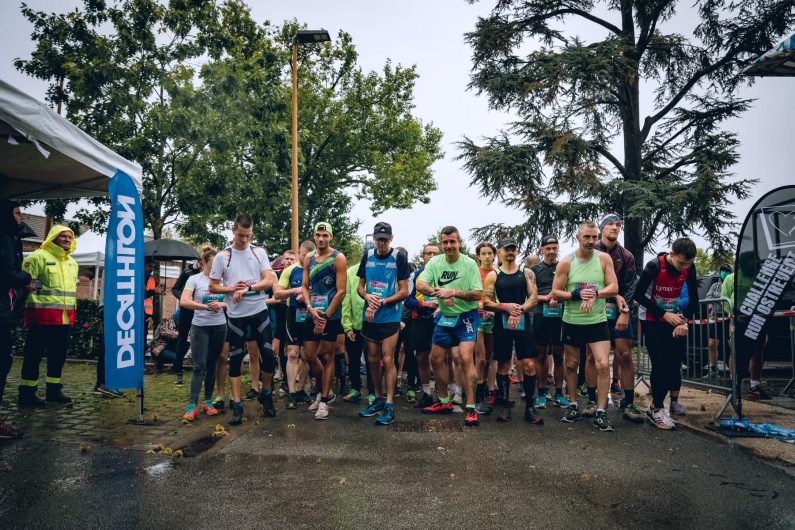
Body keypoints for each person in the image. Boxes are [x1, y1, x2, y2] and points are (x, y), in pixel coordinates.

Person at [209, 214, 277, 425]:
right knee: (236, 358)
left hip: (258, 311)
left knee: (268, 354)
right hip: (236, 315)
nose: (244, 240)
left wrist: (248, 288)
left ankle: (265, 393)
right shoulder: (223, 256)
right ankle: (237, 405)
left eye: (248, 236)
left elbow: (268, 280)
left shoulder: (258, 252)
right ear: (233, 231)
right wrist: (232, 289)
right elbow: (213, 286)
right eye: (241, 236)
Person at [551, 221, 618, 432]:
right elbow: (555, 292)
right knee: (571, 365)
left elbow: (613, 287)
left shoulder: (604, 259)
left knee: (602, 364)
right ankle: (572, 405)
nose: (591, 241)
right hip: (572, 321)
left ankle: (601, 411)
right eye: (586, 237)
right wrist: (576, 295)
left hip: (597, 321)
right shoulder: (566, 262)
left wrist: (596, 294)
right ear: (578, 238)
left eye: (594, 237)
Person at [416, 226, 483, 427]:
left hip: (466, 317)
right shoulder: (435, 262)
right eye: (445, 242)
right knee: (435, 358)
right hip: (445, 317)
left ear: (459, 242)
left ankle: (470, 408)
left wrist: (453, 292)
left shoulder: (469, 263)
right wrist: (439, 292)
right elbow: (421, 284)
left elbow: (478, 294)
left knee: (464, 357)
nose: (448, 245)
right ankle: (444, 401)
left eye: (452, 241)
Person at [634, 237, 699, 429]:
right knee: (660, 362)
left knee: (673, 362)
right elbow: (638, 296)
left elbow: (694, 300)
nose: (683, 267)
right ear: (671, 254)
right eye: (681, 263)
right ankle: (657, 409)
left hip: (674, 319)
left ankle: (663, 407)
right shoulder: (654, 266)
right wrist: (663, 314)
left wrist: (684, 320)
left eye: (688, 264)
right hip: (651, 319)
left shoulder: (688, 268)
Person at [18, 225, 79, 407]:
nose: (67, 240)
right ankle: (27, 394)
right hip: (40, 317)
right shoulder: (38, 257)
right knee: (33, 356)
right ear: (53, 238)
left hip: (64, 319)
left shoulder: (72, 264)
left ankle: (53, 391)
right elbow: (24, 283)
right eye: (63, 237)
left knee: (58, 356)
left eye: (70, 237)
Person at [356, 222, 410, 425]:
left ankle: (389, 404)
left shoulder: (399, 258)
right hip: (369, 315)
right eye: (378, 238)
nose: (381, 242)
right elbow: (360, 287)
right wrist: (368, 296)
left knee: (388, 359)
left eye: (385, 239)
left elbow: (405, 291)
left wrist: (383, 301)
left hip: (390, 315)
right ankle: (377, 399)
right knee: (371, 358)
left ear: (391, 239)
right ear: (374, 238)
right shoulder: (367, 256)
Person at [483, 239, 541, 424]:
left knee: (529, 365)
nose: (510, 252)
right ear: (499, 252)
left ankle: (530, 408)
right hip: (502, 323)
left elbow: (533, 298)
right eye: (506, 249)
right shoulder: (494, 275)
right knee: (503, 365)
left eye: (513, 249)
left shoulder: (526, 272)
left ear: (517, 251)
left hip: (523, 323)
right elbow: (486, 302)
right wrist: (505, 307)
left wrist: (519, 310)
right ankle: (505, 405)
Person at [593, 213, 643, 422]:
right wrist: (613, 295)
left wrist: (625, 311)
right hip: (595, 309)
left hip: (620, 311)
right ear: (602, 228)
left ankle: (628, 402)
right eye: (610, 224)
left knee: (624, 355)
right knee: (593, 358)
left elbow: (631, 284)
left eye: (618, 225)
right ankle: (592, 400)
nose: (615, 227)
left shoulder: (627, 255)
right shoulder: (591, 251)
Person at [301, 222, 347, 420]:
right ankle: (323, 388)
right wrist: (310, 308)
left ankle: (324, 400)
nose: (321, 239)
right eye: (318, 235)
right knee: (309, 355)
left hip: (331, 315)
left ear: (331, 237)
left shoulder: (338, 258)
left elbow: (341, 291)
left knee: (328, 356)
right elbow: (304, 286)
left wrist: (326, 316)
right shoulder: (309, 258)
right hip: (312, 313)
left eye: (325, 235)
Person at [179, 245, 227, 422]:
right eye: (213, 264)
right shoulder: (194, 280)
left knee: (213, 363)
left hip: (219, 326)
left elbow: (234, 302)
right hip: (200, 326)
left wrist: (222, 305)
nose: (216, 269)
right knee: (199, 366)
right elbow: (184, 301)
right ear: (203, 263)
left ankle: (207, 401)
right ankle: (192, 404)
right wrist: (204, 307)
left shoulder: (223, 281)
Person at [0, 201, 31, 438]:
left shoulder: (11, 239)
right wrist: (26, 277)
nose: (21, 217)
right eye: (17, 213)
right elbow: (8, 273)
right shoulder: (6, 240)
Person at [275, 241, 316, 408]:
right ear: (300, 253)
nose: (308, 259)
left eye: (311, 257)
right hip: (292, 313)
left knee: (307, 354)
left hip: (310, 313)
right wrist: (295, 291)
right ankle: (291, 391)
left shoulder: (316, 269)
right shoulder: (289, 270)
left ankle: (300, 390)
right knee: (292, 353)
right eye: (305, 256)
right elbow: (277, 293)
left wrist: (308, 296)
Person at [532, 236, 568, 409]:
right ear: (541, 249)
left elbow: (569, 290)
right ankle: (541, 392)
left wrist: (558, 298)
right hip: (540, 314)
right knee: (540, 354)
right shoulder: (533, 270)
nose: (552, 251)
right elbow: (529, 295)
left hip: (560, 315)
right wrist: (545, 298)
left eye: (555, 248)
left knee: (559, 354)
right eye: (548, 248)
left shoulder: (565, 266)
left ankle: (559, 393)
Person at [405, 243, 441, 408]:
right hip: (420, 319)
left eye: (435, 253)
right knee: (421, 356)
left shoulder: (446, 274)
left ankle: (443, 393)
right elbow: (407, 299)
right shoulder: (416, 275)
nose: (432, 257)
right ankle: (426, 392)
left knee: (440, 357)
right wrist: (422, 305)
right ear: (423, 256)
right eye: (428, 254)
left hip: (441, 320)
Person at [341, 241, 374, 404]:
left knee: (372, 359)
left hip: (374, 324)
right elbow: (346, 298)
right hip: (355, 324)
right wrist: (347, 326)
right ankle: (355, 388)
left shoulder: (379, 270)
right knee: (353, 359)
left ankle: (373, 391)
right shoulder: (351, 272)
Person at [474, 241, 497, 415]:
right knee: (480, 358)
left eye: (490, 253)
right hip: (477, 318)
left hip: (494, 319)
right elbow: (470, 294)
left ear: (495, 255)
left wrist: (494, 309)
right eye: (484, 253)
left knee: (490, 358)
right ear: (479, 256)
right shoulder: (474, 272)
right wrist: (481, 305)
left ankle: (490, 391)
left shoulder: (499, 273)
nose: (487, 256)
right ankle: (477, 396)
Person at [171, 260, 201, 385]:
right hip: (186, 310)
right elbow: (175, 289)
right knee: (182, 338)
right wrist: (184, 297)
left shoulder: (211, 272)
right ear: (200, 261)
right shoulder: (187, 272)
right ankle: (178, 370)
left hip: (201, 310)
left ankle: (200, 370)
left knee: (199, 339)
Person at [703, 263, 733, 380]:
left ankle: (733, 373)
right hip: (715, 317)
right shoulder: (715, 285)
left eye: (726, 270)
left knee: (731, 346)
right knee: (712, 344)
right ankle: (713, 369)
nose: (724, 272)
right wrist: (721, 296)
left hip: (729, 316)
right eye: (722, 270)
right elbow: (707, 298)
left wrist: (717, 296)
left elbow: (729, 299)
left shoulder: (731, 283)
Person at [143, 259, 160, 336]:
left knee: (144, 334)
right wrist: (154, 291)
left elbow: (150, 299)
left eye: (153, 267)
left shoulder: (149, 278)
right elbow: (141, 296)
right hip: (140, 312)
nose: (152, 269)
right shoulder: (141, 278)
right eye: (149, 266)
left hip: (146, 313)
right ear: (143, 266)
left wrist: (151, 315)